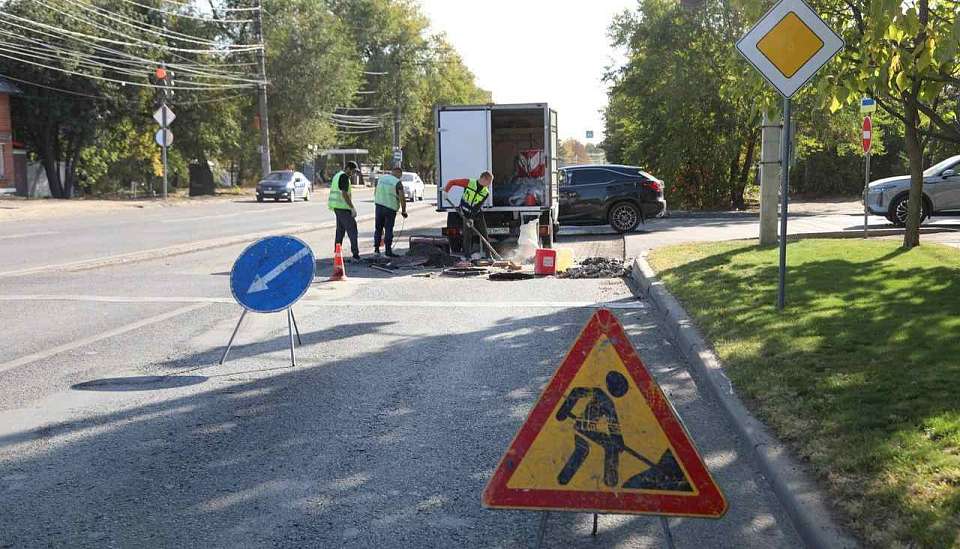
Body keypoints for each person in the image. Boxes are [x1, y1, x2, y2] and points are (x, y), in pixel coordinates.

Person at [443, 171, 493, 258]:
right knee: (467, 235)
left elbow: (477, 206)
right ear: (484, 179)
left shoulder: (486, 192)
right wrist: (446, 192)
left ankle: (489, 256)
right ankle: (467, 257)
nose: (489, 184)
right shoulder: (469, 183)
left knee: (484, 234)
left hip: (476, 214)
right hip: (465, 212)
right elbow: (452, 182)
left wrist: (471, 218)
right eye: (489, 182)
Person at [328, 161, 362, 261]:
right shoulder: (344, 177)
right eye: (353, 171)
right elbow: (344, 194)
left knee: (340, 231)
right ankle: (355, 255)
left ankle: (337, 254)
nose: (353, 173)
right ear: (347, 168)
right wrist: (352, 208)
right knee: (353, 230)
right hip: (343, 208)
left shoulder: (337, 175)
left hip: (337, 207)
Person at [373, 166, 408, 257]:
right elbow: (402, 198)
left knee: (378, 229)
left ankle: (376, 250)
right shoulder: (397, 182)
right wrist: (403, 211)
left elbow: (375, 191)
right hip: (390, 209)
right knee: (388, 229)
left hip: (379, 206)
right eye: (400, 175)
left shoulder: (381, 179)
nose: (400, 177)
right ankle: (388, 251)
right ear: (398, 173)